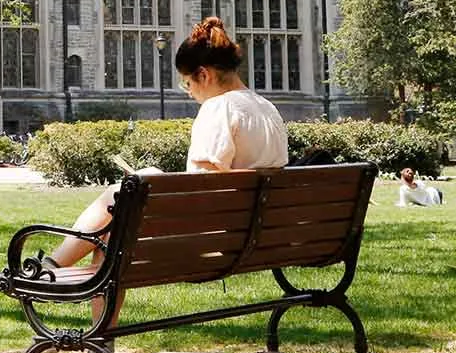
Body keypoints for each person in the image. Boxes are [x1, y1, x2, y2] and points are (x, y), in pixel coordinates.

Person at [42, 17, 287, 272]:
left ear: (203, 75)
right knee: (120, 218)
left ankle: (51, 265)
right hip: (258, 234)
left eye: (187, 84)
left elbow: (203, 185)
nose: (189, 92)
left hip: (217, 239)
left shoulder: (219, 108)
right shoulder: (266, 107)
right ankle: (52, 266)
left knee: (120, 199)